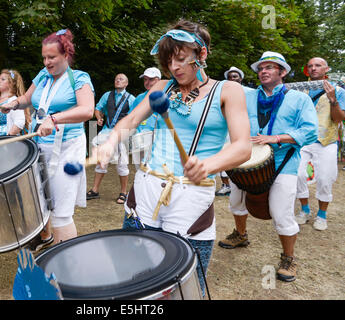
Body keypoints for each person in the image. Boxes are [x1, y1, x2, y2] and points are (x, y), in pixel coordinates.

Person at [94, 20, 251, 296]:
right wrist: (109, 142)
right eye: (169, 61)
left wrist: (207, 165)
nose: (174, 67)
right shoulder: (162, 87)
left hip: (191, 196)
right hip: (146, 189)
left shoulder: (228, 91)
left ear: (201, 55)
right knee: (134, 274)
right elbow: (130, 119)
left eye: (180, 59)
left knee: (182, 286)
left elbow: (242, 148)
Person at [218, 51, 318, 282]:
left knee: (282, 213)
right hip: (247, 160)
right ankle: (241, 234)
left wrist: (276, 138)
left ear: (282, 72)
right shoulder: (248, 96)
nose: (263, 71)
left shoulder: (299, 98)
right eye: (261, 68)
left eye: (270, 67)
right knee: (235, 202)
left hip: (284, 162)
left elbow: (311, 131)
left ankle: (289, 258)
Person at [4, 29, 95, 250]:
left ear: (66, 55)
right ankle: (45, 238)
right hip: (40, 147)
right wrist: (14, 103)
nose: (46, 62)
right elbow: (28, 98)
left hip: (68, 148)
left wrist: (54, 119)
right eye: (44, 57)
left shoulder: (80, 78)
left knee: (61, 212)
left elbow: (87, 110)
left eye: (51, 57)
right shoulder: (43, 76)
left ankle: (68, 263)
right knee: (40, 201)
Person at [295, 57, 345, 231]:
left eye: (318, 65)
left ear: (326, 69)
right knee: (297, 174)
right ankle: (305, 209)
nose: (314, 68)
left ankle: (322, 215)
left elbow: (339, 118)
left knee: (325, 178)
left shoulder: (338, 90)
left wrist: (333, 100)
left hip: (326, 140)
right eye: (310, 66)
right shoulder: (300, 91)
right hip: (304, 140)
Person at [86, 73, 136, 204]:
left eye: (121, 79)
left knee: (122, 163)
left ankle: (123, 193)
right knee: (101, 159)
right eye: (116, 79)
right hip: (107, 131)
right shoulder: (107, 95)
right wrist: (99, 117)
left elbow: (135, 116)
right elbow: (97, 108)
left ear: (126, 83)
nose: (118, 80)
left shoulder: (131, 98)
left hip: (122, 134)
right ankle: (95, 190)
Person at [215, 67, 252, 196]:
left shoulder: (250, 92)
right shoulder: (221, 92)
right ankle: (226, 185)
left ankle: (244, 184)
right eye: (230, 77)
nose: (232, 78)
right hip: (225, 129)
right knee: (224, 154)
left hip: (243, 129)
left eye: (235, 76)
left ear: (241, 78)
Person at [130, 67, 162, 168]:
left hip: (157, 140)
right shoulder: (139, 98)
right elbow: (131, 118)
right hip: (139, 139)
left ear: (159, 80)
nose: (147, 82)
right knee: (139, 171)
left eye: (151, 79)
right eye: (145, 79)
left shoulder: (167, 97)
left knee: (155, 172)